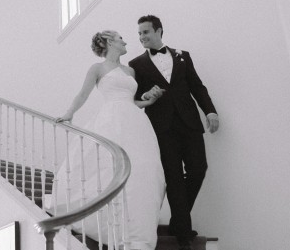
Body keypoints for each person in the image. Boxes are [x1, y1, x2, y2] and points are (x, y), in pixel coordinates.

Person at [54, 30, 166, 250]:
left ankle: (135, 227)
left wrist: (149, 102)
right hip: (111, 119)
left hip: (135, 122)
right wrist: (69, 113)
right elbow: (83, 94)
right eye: (119, 37)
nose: (124, 41)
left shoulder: (130, 71)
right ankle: (108, 223)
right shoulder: (97, 68)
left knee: (143, 169)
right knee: (109, 166)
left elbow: (133, 102)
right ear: (108, 42)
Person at [128, 15, 219, 250]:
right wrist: (148, 96)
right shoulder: (136, 64)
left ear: (159, 31)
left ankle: (178, 221)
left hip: (189, 123)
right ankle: (184, 235)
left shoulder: (183, 56)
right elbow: (135, 98)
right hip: (162, 127)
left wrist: (210, 111)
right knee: (174, 178)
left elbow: (197, 86)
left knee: (199, 169)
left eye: (145, 32)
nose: (141, 37)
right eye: (139, 33)